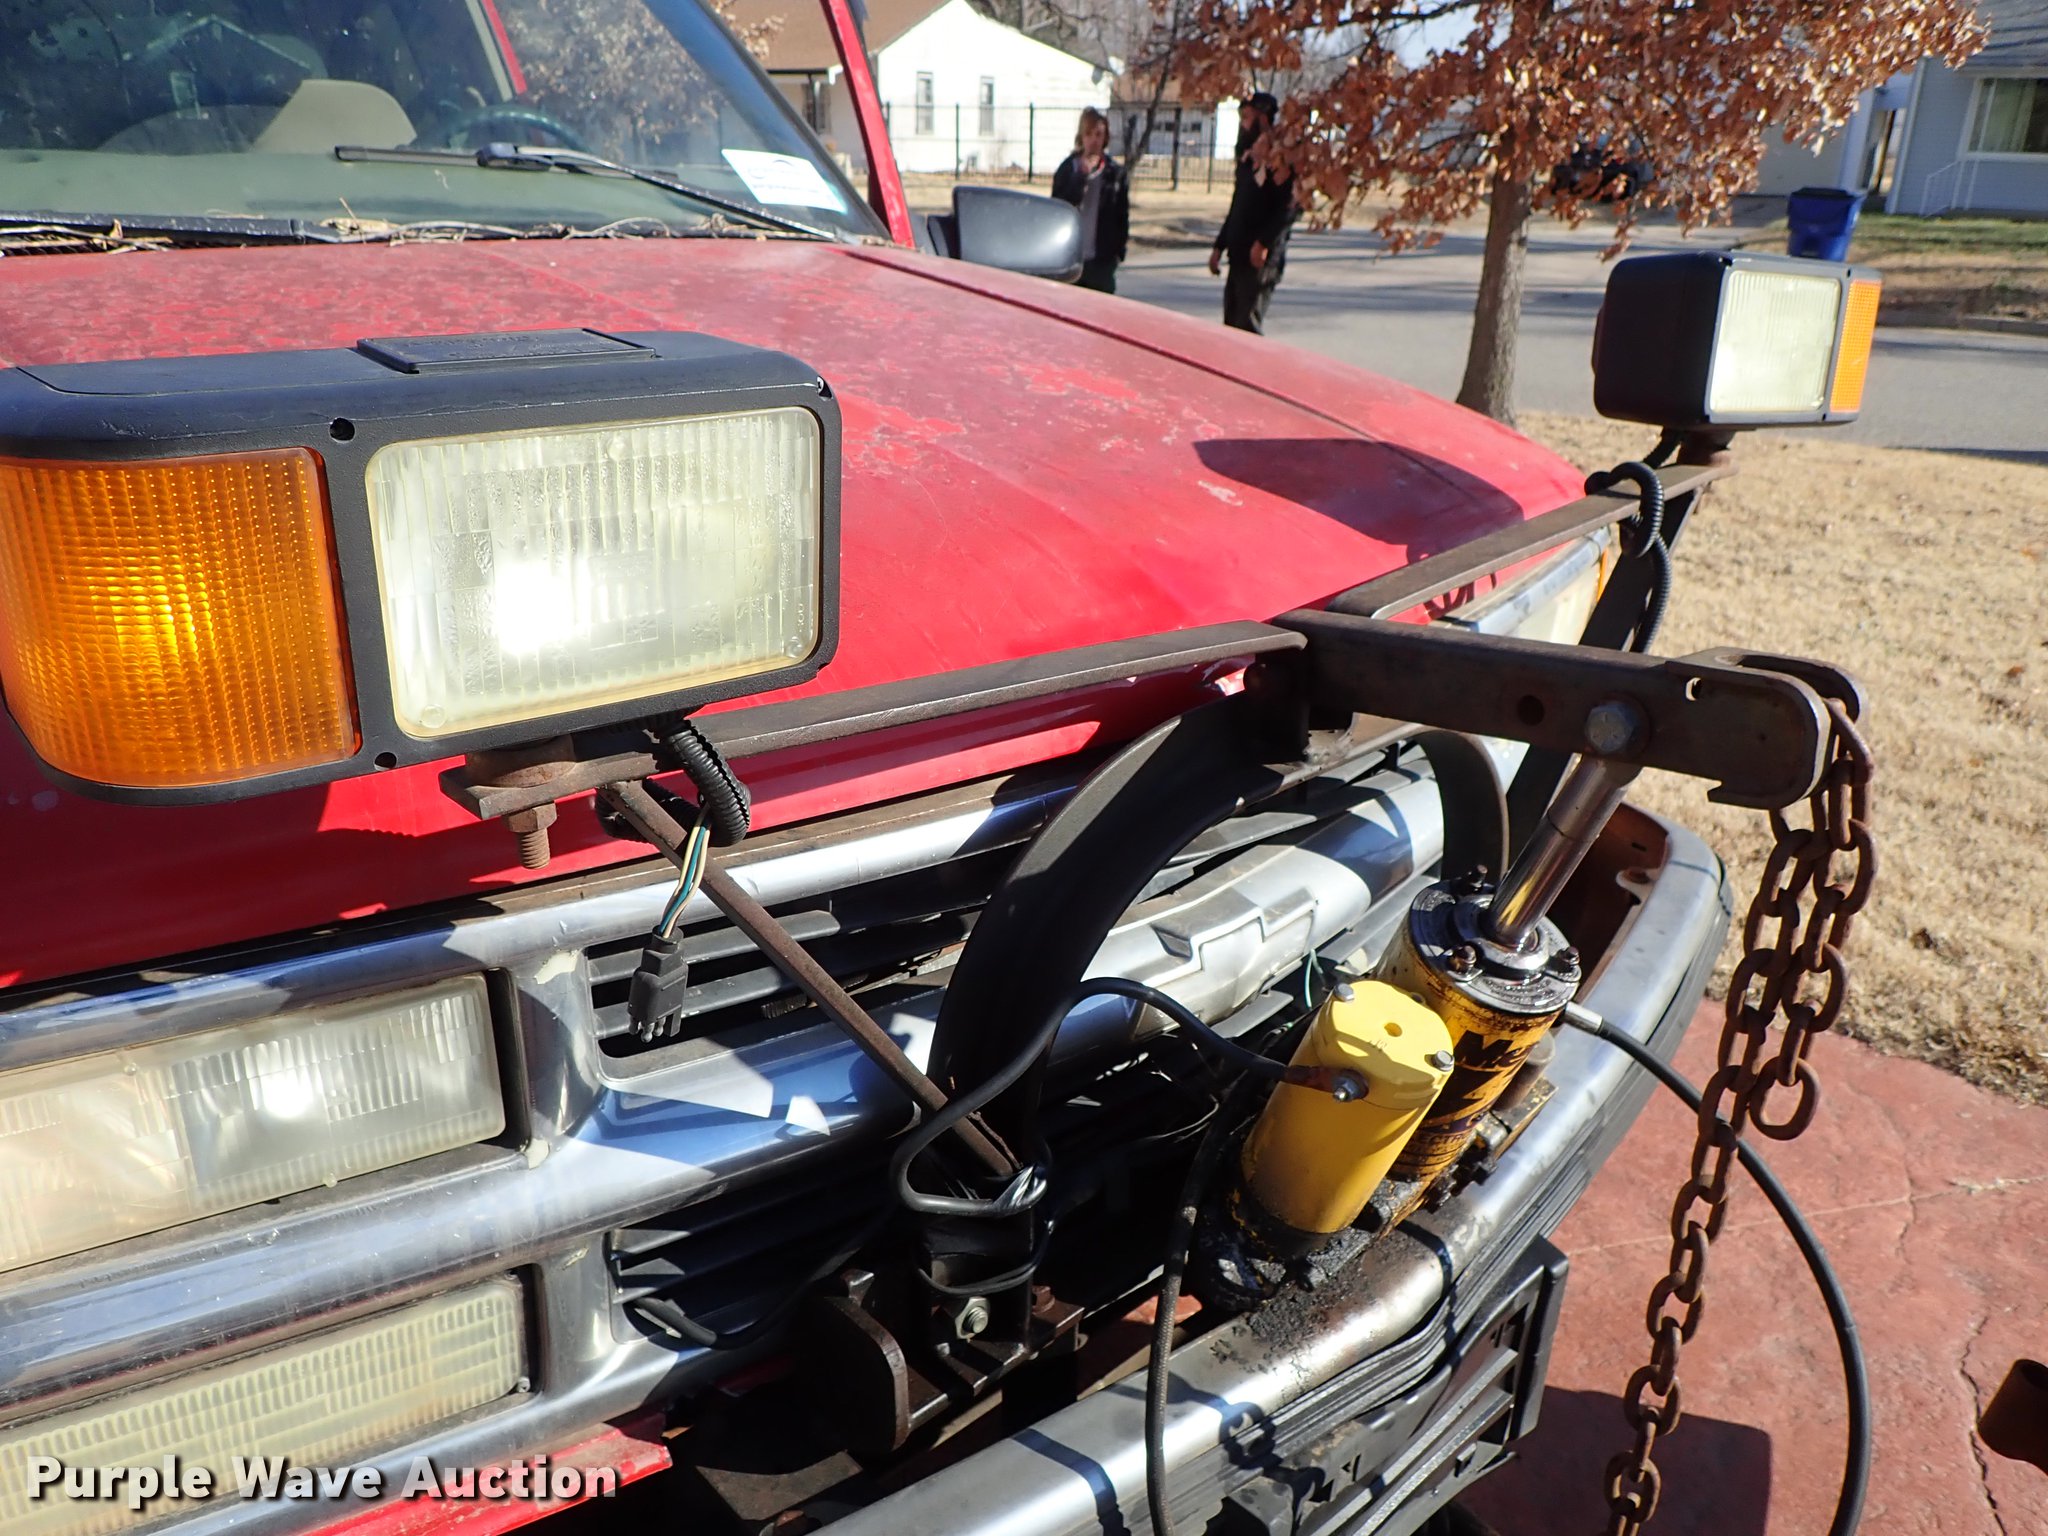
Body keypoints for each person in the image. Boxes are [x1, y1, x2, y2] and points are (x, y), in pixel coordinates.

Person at [1208, 91, 1296, 333]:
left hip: (1260, 262)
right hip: (1238, 253)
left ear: (1263, 119)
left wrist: (1264, 242)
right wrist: (1219, 246)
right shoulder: (1248, 161)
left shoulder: (1280, 161)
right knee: (1231, 327)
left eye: (1247, 117)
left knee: (1247, 327)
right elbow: (1237, 206)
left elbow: (1288, 210)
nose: (1243, 125)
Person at [1051, 107, 1130, 293]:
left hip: (1102, 260)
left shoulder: (1115, 174)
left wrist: (1119, 251)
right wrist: (1081, 178)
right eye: (1088, 134)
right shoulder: (1067, 169)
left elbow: (1122, 215)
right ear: (1081, 136)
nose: (1094, 140)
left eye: (1099, 134)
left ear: (1105, 138)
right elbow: (1059, 209)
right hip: (1071, 258)